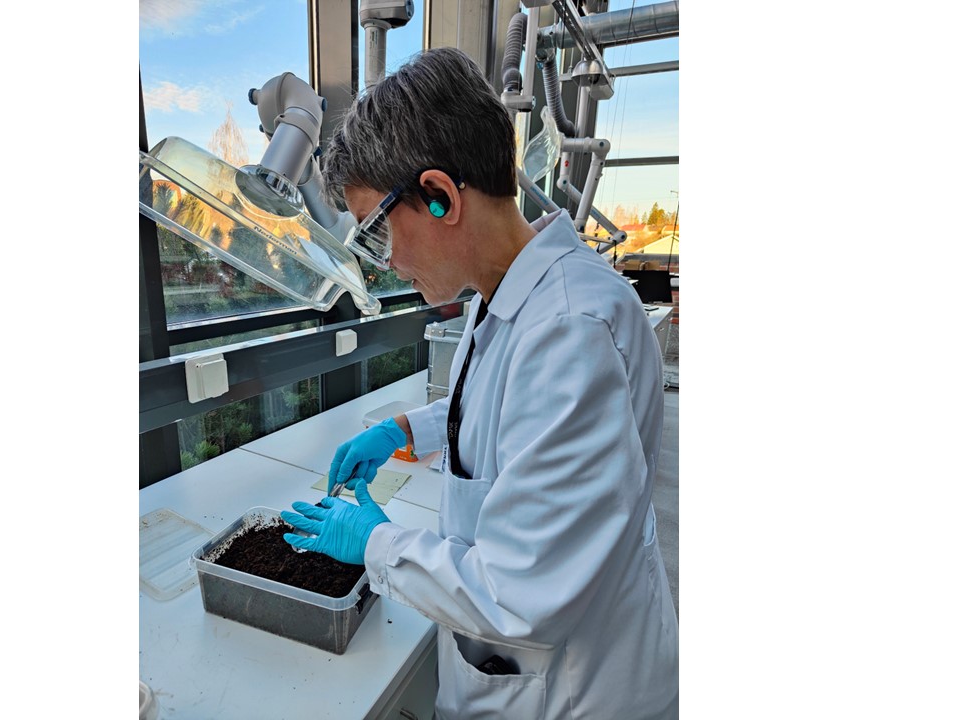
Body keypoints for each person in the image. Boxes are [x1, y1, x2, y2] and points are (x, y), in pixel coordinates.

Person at [281, 47, 678, 719]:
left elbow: (523, 596)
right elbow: (508, 415)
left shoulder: (571, 330)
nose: (388, 264)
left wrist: (376, 543)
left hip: (572, 690)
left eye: (378, 234)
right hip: (515, 667)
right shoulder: (501, 297)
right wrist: (407, 429)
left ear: (437, 196)